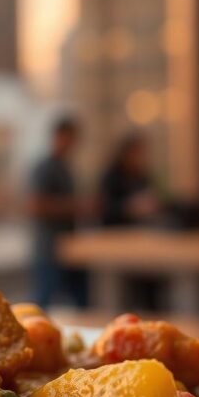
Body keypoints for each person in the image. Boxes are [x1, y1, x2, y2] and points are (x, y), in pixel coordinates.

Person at [28, 116, 91, 309]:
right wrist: (75, 206)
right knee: (43, 301)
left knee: (81, 297)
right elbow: (36, 205)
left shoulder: (65, 168)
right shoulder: (45, 168)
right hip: (49, 246)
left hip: (68, 245)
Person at [99, 133, 162, 227]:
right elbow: (104, 207)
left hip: (143, 225)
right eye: (136, 153)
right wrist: (129, 208)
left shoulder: (142, 175)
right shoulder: (112, 177)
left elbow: (152, 197)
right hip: (117, 228)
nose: (140, 158)